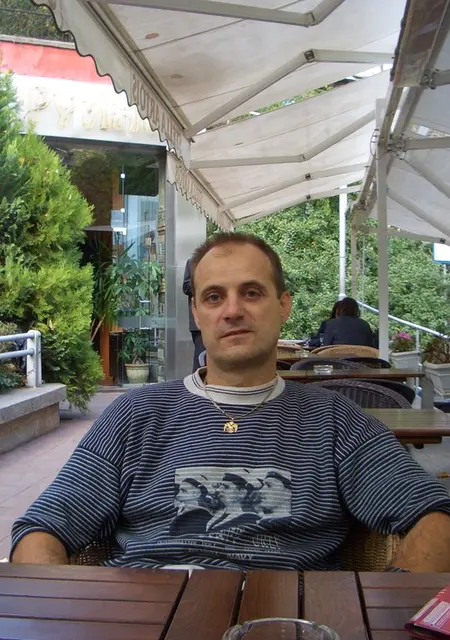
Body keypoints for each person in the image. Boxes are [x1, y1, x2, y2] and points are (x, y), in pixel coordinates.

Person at [10, 232, 450, 572]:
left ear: (283, 306)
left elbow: (435, 517)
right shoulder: (135, 415)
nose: (232, 310)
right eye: (214, 296)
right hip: (147, 611)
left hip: (282, 619)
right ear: (197, 313)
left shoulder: (334, 421)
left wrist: (384, 614)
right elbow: (41, 530)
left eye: (251, 293)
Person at [183, 257, 205, 372]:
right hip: (198, 324)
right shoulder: (192, 262)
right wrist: (204, 284)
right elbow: (186, 287)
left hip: (219, 320)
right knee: (201, 357)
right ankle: (198, 381)